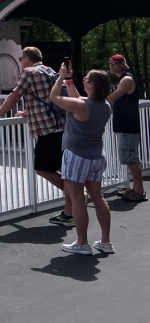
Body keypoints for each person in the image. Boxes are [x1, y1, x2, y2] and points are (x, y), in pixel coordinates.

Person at [0, 46, 73, 226]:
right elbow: (47, 98)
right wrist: (28, 111)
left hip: (47, 130)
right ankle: (69, 213)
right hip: (62, 127)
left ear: (27, 59)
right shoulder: (50, 71)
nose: (21, 62)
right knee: (63, 170)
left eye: (21, 59)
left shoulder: (28, 72)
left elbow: (14, 96)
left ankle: (76, 195)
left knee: (42, 168)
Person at [49, 66, 113, 255]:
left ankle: (82, 242)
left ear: (92, 84)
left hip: (77, 155)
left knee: (77, 199)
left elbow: (54, 97)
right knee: (98, 198)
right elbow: (78, 100)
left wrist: (60, 77)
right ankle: (106, 241)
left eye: (86, 78)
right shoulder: (105, 106)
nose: (83, 79)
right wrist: (69, 81)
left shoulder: (82, 106)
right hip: (96, 156)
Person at [107, 54, 145, 202]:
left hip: (128, 125)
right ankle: (136, 188)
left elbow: (112, 98)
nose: (111, 66)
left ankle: (139, 191)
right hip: (125, 124)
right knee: (132, 158)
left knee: (130, 158)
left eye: (115, 63)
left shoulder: (127, 79)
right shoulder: (121, 79)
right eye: (110, 63)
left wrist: (93, 102)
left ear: (123, 64)